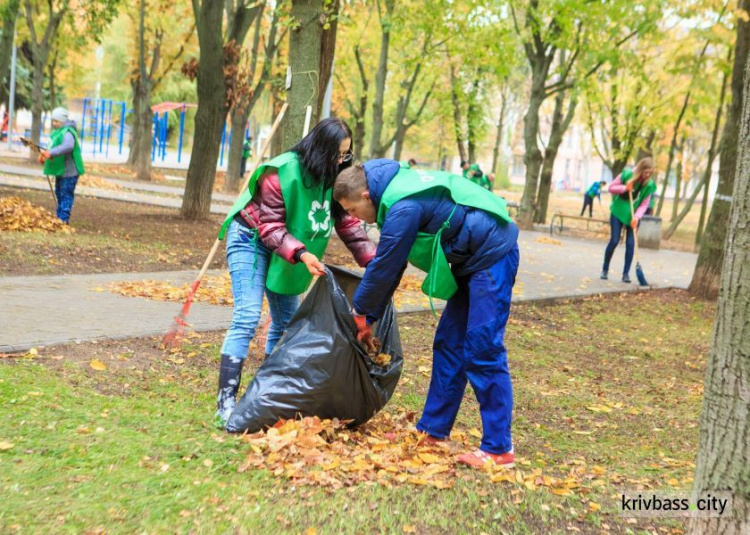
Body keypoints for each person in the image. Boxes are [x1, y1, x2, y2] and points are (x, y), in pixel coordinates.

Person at [333, 160, 520, 469]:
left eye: (352, 210)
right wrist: (368, 315)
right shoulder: (395, 193)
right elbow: (392, 265)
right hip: (471, 259)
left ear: (366, 195)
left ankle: (499, 448)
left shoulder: (401, 205)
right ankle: (433, 430)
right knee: (449, 343)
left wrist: (362, 313)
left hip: (493, 254)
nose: (354, 218)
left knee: (482, 347)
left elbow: (385, 265)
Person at [214, 118, 376, 426]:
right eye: (337, 154)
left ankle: (264, 397)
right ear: (320, 147)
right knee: (247, 316)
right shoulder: (281, 173)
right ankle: (225, 405)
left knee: (288, 325)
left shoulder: (334, 179)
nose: (341, 160)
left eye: (346, 154)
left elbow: (349, 225)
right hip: (252, 239)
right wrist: (301, 253)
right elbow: (270, 227)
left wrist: (377, 264)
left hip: (290, 249)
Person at [601, 158, 656, 283]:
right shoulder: (626, 174)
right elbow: (611, 187)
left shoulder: (649, 185)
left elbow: (644, 204)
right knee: (614, 240)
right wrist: (625, 187)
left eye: (650, 173)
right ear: (641, 169)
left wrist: (637, 217)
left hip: (633, 216)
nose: (647, 175)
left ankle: (626, 274)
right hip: (618, 212)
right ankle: (605, 269)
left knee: (631, 244)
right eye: (646, 172)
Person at [37, 107, 85, 224]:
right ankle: (59, 219)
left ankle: (63, 220)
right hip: (61, 170)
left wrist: (50, 153)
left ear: (63, 120)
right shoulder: (58, 132)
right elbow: (52, 146)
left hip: (70, 171)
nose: (54, 123)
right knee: (59, 193)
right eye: (53, 121)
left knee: (66, 195)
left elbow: (68, 146)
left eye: (57, 121)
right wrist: (44, 155)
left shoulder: (68, 131)